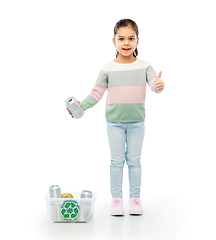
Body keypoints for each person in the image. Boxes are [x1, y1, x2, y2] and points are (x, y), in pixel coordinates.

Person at [67, 19, 165, 216]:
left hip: (137, 122)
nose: (126, 43)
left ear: (138, 41)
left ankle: (135, 199)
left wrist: (158, 85)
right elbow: (96, 93)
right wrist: (80, 107)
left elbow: (154, 84)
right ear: (114, 42)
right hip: (114, 124)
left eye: (131, 38)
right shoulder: (107, 69)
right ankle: (117, 200)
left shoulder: (145, 66)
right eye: (121, 39)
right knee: (117, 161)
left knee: (135, 161)